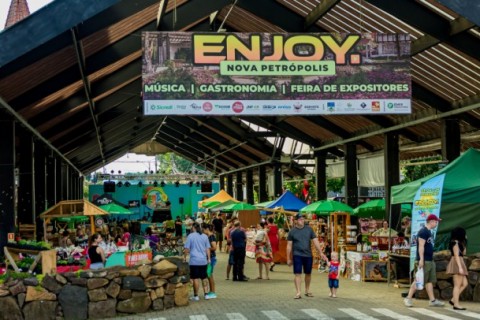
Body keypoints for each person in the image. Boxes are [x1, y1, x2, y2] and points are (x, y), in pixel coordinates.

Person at [404, 214, 445, 307]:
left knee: (429, 281)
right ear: (431, 221)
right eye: (436, 221)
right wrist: (421, 260)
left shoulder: (428, 231)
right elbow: (421, 246)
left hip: (430, 260)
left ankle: (432, 300)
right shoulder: (423, 232)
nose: (436, 223)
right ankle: (408, 298)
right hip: (425, 260)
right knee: (418, 279)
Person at [287, 213, 328, 299]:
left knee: (308, 273)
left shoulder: (309, 229)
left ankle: (307, 290)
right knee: (297, 274)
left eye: (303, 219)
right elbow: (289, 246)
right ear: (296, 221)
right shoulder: (292, 231)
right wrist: (288, 258)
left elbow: (315, 241)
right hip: (297, 254)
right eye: (300, 219)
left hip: (308, 254)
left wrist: (321, 252)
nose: (302, 220)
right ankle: (298, 292)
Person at [183, 222, 211, 301]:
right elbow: (207, 249)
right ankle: (206, 294)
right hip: (203, 261)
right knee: (204, 277)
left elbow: (187, 249)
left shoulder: (190, 236)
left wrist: (184, 257)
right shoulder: (205, 236)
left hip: (194, 261)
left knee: (195, 278)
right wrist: (208, 258)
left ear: (193, 228)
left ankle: (196, 296)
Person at [446, 227, 468, 310]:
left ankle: (453, 300)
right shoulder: (455, 242)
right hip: (457, 262)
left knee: (465, 284)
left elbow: (464, 253)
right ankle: (456, 304)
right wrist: (460, 267)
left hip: (460, 262)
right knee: (457, 285)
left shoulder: (459, 242)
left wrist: (465, 242)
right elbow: (456, 255)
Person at [202, 223, 218, 299]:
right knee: (208, 275)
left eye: (203, 229)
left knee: (209, 275)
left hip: (211, 258)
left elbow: (214, 247)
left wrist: (206, 249)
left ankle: (213, 292)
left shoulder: (211, 236)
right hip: (209, 258)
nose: (202, 231)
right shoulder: (208, 236)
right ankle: (211, 291)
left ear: (207, 229)